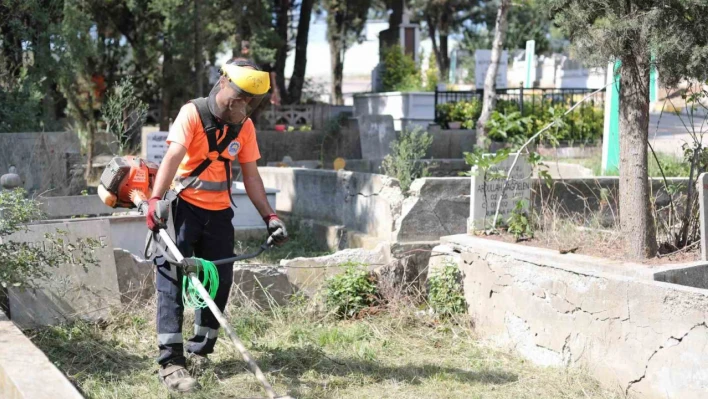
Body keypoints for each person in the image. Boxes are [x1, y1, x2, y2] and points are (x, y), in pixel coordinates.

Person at [145, 58, 289, 393]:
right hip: (183, 209)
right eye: (236, 99)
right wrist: (156, 200)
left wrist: (270, 217)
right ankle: (171, 363)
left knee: (218, 282)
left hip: (220, 213)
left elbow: (251, 176)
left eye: (247, 103)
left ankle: (201, 351)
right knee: (172, 281)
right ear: (223, 83)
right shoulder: (192, 113)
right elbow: (172, 157)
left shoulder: (245, 127)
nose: (239, 107)